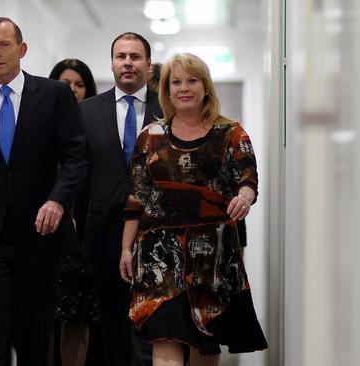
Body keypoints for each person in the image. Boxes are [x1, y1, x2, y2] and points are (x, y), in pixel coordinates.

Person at [0, 17, 88, 366]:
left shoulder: (53, 95)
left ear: (22, 50)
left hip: (38, 234)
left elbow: (75, 157)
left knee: (33, 336)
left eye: (4, 45)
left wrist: (58, 199)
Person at [119, 53, 268, 366]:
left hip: (211, 254)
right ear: (167, 90)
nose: (183, 87)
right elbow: (136, 197)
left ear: (205, 87)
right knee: (164, 337)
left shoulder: (230, 133)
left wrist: (244, 195)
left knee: (204, 345)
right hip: (158, 255)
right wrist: (126, 249)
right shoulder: (151, 136)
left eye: (191, 80)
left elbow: (247, 176)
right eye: (176, 82)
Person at [77, 32, 162, 366]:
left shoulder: (166, 107)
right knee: (110, 322)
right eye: (121, 56)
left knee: (154, 321)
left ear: (148, 64)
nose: (127, 63)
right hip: (101, 231)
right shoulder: (87, 111)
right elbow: (77, 169)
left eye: (135, 57)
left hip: (156, 229)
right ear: (112, 63)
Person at [47, 58, 99, 366]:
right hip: (44, 228)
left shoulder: (95, 124)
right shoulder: (39, 119)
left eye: (79, 84)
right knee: (42, 318)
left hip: (83, 234)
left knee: (77, 317)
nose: (73, 90)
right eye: (66, 83)